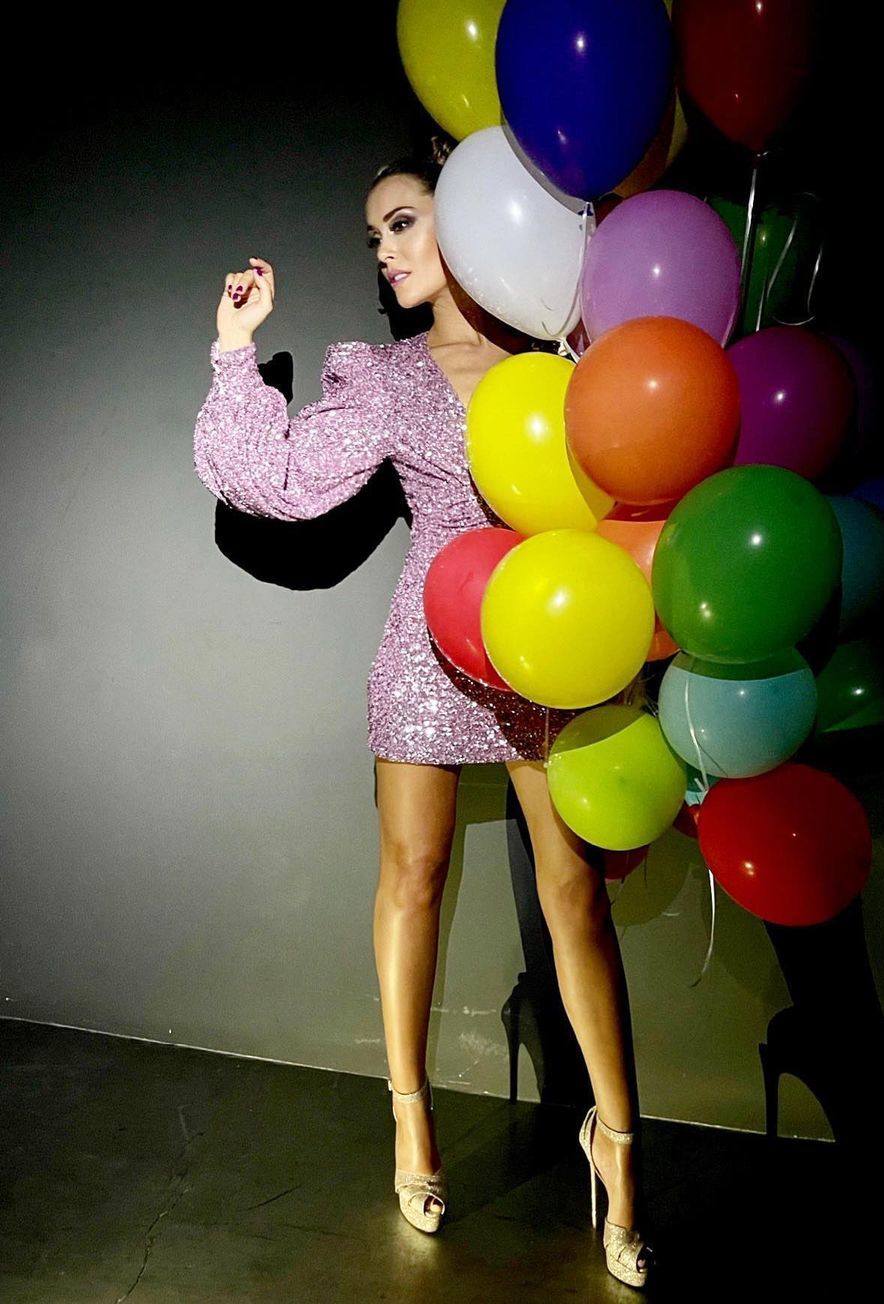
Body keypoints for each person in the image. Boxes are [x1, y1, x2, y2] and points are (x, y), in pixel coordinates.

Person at [192, 137, 653, 1289]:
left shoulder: (565, 357)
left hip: (548, 640)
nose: (386, 252)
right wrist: (235, 351)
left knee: (576, 898)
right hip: (431, 647)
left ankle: (619, 1143)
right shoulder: (389, 377)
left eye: (402, 222)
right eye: (375, 237)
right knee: (413, 876)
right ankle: (411, 1120)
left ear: (476, 214)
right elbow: (281, 482)